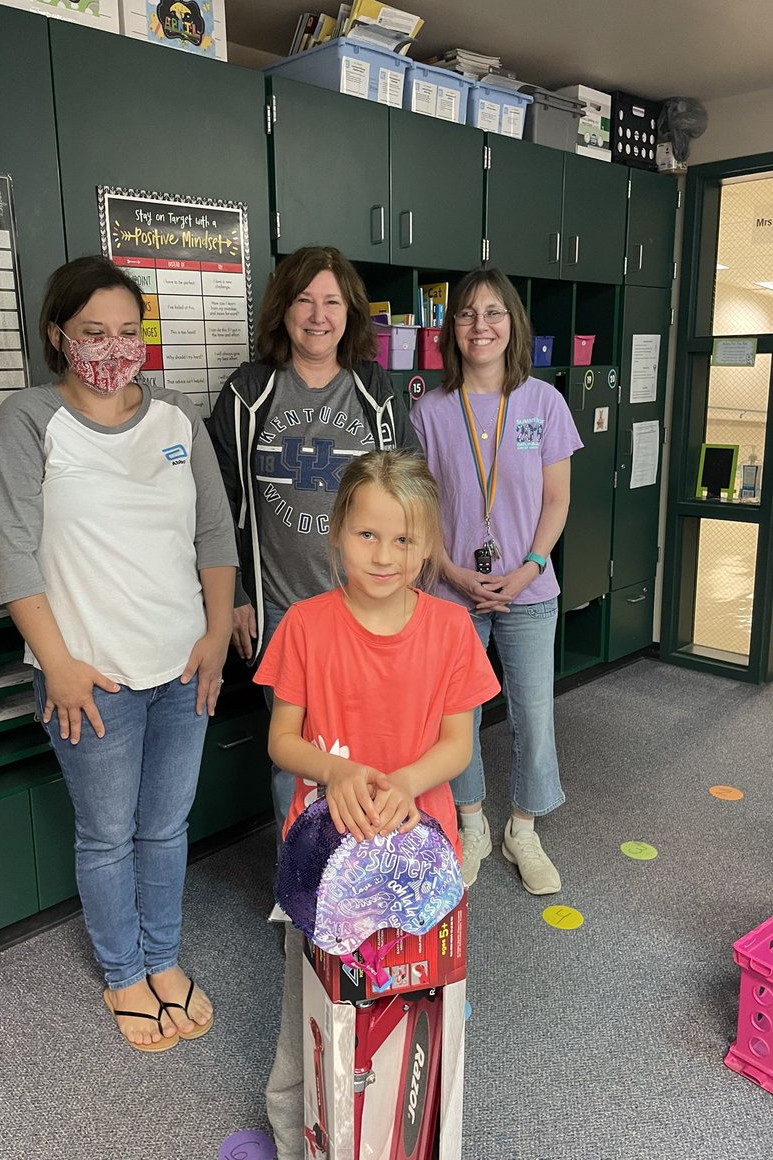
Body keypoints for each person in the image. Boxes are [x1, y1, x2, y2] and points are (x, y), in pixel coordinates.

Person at [0, 255, 237, 1053]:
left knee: (165, 828)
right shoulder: (28, 421)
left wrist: (217, 637)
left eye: (129, 332)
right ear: (59, 335)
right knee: (107, 835)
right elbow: (12, 552)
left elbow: (214, 533)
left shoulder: (176, 419)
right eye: (94, 332)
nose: (113, 348)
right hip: (90, 677)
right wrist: (54, 661)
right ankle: (123, 972)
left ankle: (162, 959)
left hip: (182, 665)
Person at [254, 450, 500, 1158]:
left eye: (404, 540)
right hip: (327, 866)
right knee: (309, 1010)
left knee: (424, 1004)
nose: (386, 555)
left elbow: (458, 745)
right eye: (368, 535)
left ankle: (416, 1141)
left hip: (423, 856)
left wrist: (403, 783)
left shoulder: (451, 630)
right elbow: (282, 739)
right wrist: (337, 772)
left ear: (429, 547)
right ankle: (299, 1138)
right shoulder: (305, 624)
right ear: (336, 532)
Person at [208, 245, 419, 843]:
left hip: (365, 608)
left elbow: (410, 490)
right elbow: (217, 501)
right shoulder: (250, 390)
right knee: (296, 764)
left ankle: (368, 882)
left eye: (331, 301)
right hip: (282, 614)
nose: (318, 314)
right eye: (304, 299)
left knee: (373, 750)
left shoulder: (374, 389)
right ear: (283, 310)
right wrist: (238, 595)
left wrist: (406, 587)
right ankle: (302, 896)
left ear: (350, 312)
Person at [410, 268, 583, 896]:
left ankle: (524, 828)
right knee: (458, 717)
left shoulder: (544, 403)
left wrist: (529, 567)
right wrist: (450, 570)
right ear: (450, 330)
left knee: (534, 716)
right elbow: (418, 506)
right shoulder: (429, 409)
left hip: (529, 591)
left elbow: (557, 500)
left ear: (513, 324)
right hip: (450, 591)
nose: (480, 326)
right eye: (466, 315)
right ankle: (473, 823)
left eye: (493, 314)